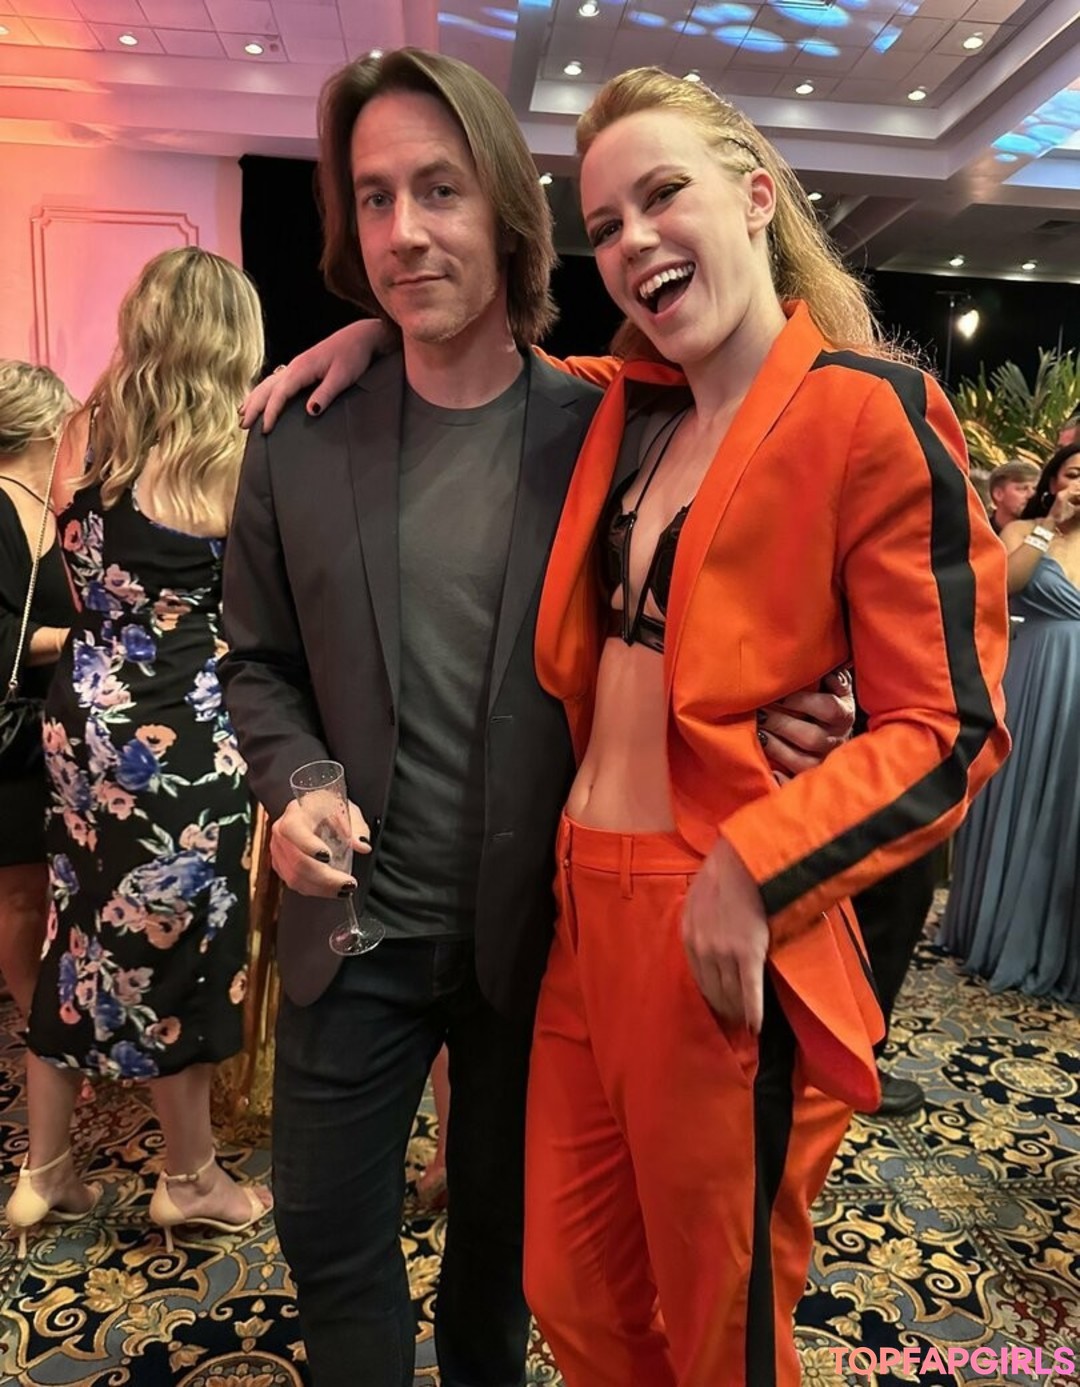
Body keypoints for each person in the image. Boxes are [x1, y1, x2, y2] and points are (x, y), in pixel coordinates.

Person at [222, 48, 854, 1387]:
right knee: (330, 1243)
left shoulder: (612, 425)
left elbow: (745, 557)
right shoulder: (297, 437)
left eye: (438, 190)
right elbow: (256, 661)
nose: (404, 231)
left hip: (543, 940)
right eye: (375, 197)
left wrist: (814, 703)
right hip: (354, 930)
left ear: (506, 208)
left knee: (507, 1268)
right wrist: (296, 779)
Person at [517, 68, 1008, 1387]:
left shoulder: (864, 411)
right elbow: (471, 373)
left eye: (661, 194)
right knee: (570, 1286)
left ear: (752, 196)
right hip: (577, 909)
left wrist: (755, 866)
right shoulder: (624, 404)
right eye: (604, 224)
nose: (632, 241)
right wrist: (353, 348)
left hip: (719, 912)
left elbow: (950, 722)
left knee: (720, 1320)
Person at [4, 248, 271, 1260]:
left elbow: (78, 579)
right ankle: (190, 1177)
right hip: (179, 734)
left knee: (75, 930)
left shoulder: (85, 431)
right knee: (184, 943)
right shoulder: (232, 453)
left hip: (81, 716)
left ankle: (43, 1171)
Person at [940, 442, 1080, 1002]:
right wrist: (1050, 526)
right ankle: (997, 934)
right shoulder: (1024, 531)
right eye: (1074, 472)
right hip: (1035, 680)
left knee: (1068, 812)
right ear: (1053, 481)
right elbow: (1002, 586)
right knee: (1021, 801)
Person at [0, 362, 77, 1019]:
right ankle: (38, 1023)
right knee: (22, 894)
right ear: (45, 426)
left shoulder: (50, 507)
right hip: (13, 740)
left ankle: (59, 1018)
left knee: (48, 888)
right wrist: (79, 638)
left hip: (55, 727)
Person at [987, 459, 1039, 535]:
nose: (1032, 495)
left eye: (1035, 489)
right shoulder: (976, 533)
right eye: (1022, 488)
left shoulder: (1042, 532)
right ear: (998, 494)